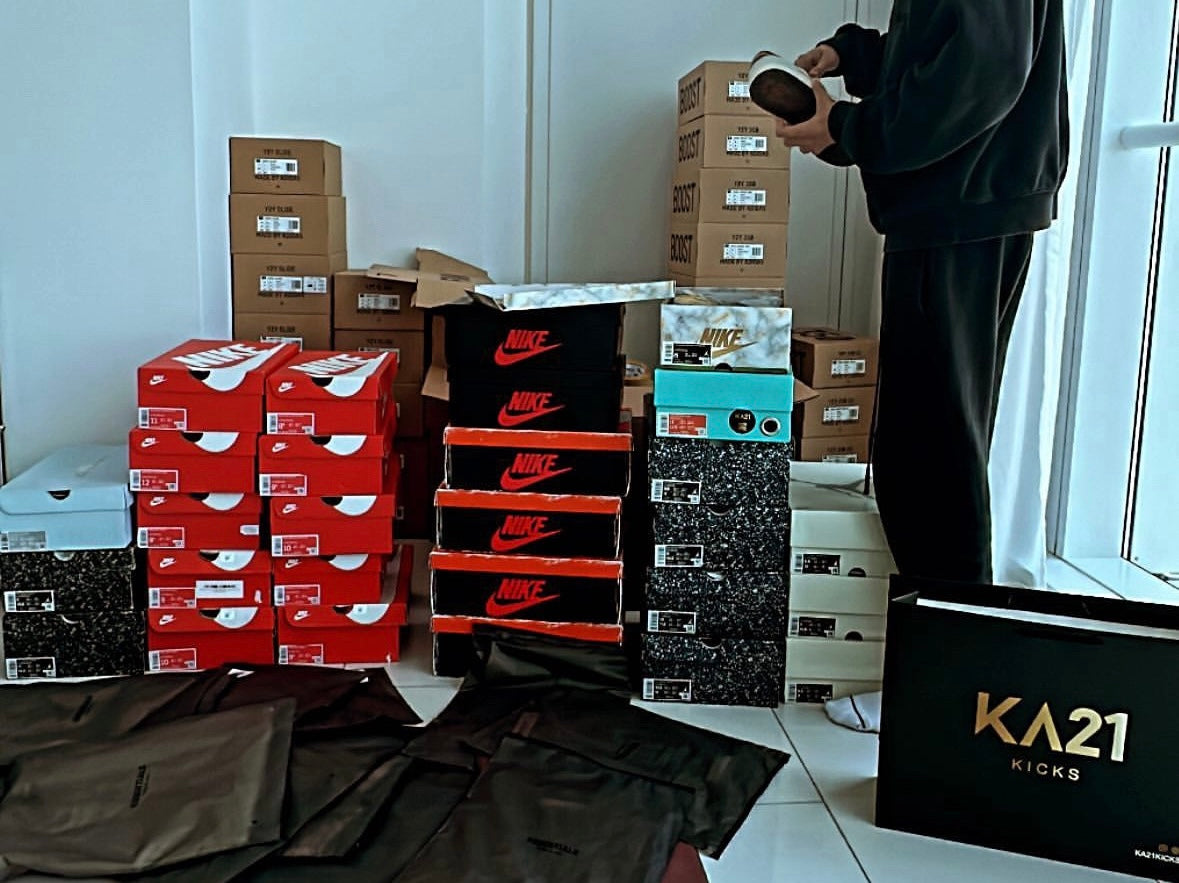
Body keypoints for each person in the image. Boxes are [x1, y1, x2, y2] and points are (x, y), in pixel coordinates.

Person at [775, 1, 1068, 586]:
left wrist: (849, 127)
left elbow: (984, 70)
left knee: (931, 456)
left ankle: (955, 631)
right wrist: (856, 56)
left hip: (957, 206)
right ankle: (950, 623)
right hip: (968, 202)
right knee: (936, 444)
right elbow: (953, 49)